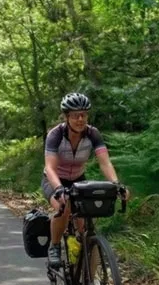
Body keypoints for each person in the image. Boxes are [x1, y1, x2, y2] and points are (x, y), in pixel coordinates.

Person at [42, 92, 126, 266]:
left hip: (78, 180)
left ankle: (92, 282)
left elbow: (105, 162)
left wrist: (117, 185)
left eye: (84, 115)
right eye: (75, 115)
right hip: (54, 180)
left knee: (88, 230)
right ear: (66, 117)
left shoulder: (92, 134)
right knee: (64, 207)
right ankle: (55, 246)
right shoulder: (55, 135)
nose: (80, 119)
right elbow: (50, 167)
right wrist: (59, 190)